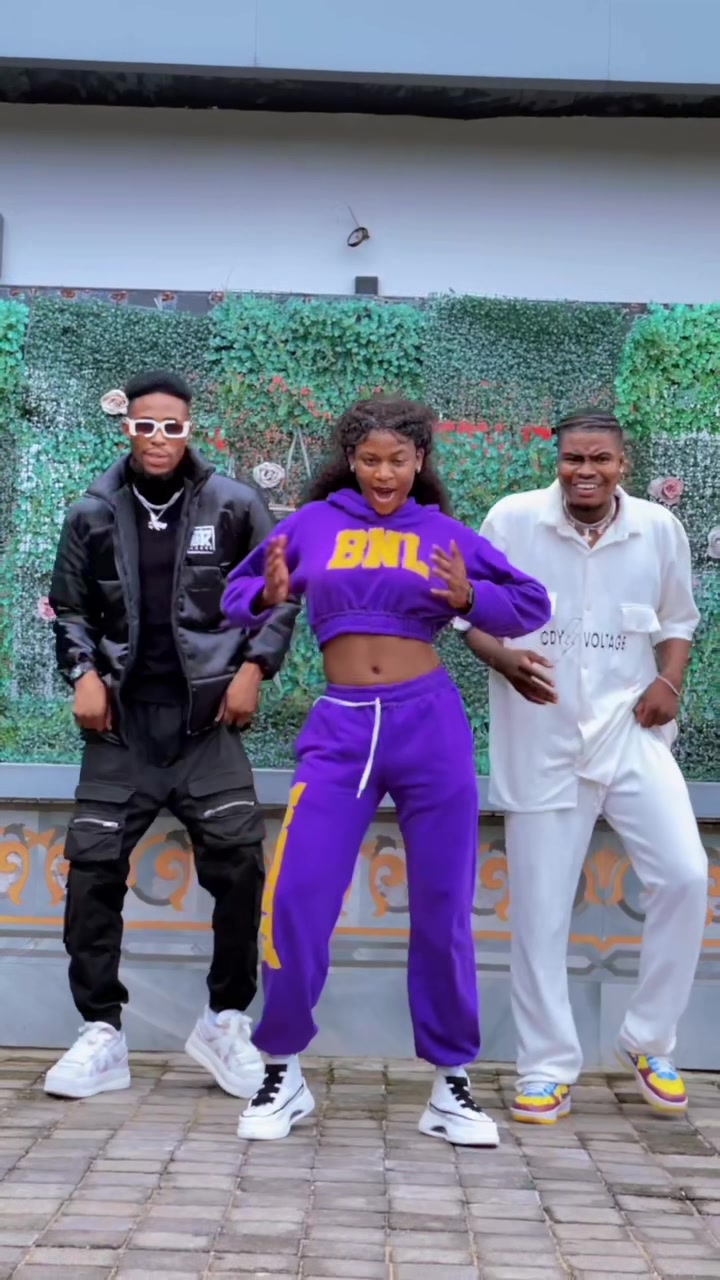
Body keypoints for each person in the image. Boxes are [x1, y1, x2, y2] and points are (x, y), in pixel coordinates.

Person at [221, 397, 551, 1144]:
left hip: (429, 725)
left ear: (419, 461)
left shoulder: (442, 534)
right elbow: (234, 599)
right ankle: (283, 1071)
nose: (384, 473)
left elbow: (529, 603)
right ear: (351, 460)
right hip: (340, 728)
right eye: (370, 460)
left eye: (398, 460)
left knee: (443, 905)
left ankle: (451, 1084)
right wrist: (269, 593)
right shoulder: (313, 525)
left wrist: (470, 598)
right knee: (297, 895)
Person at [45, 370, 298, 1100]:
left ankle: (225, 1020)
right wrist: (83, 675)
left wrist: (255, 668)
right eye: (145, 425)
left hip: (205, 727)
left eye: (172, 426)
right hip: (120, 730)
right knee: (92, 874)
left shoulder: (235, 504)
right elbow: (70, 608)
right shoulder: (92, 511)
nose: (158, 438)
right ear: (127, 427)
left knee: (240, 866)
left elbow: (279, 599)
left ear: (190, 428)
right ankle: (101, 1032)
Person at [455, 409, 708, 1124]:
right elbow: (466, 611)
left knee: (686, 876)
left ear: (623, 464)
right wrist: (503, 659)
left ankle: (649, 1040)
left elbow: (678, 621)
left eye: (600, 459)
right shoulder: (513, 521)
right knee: (539, 914)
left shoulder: (658, 528)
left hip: (632, 732)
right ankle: (545, 1067)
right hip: (542, 738)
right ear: (557, 460)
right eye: (574, 459)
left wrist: (669, 682)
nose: (585, 472)